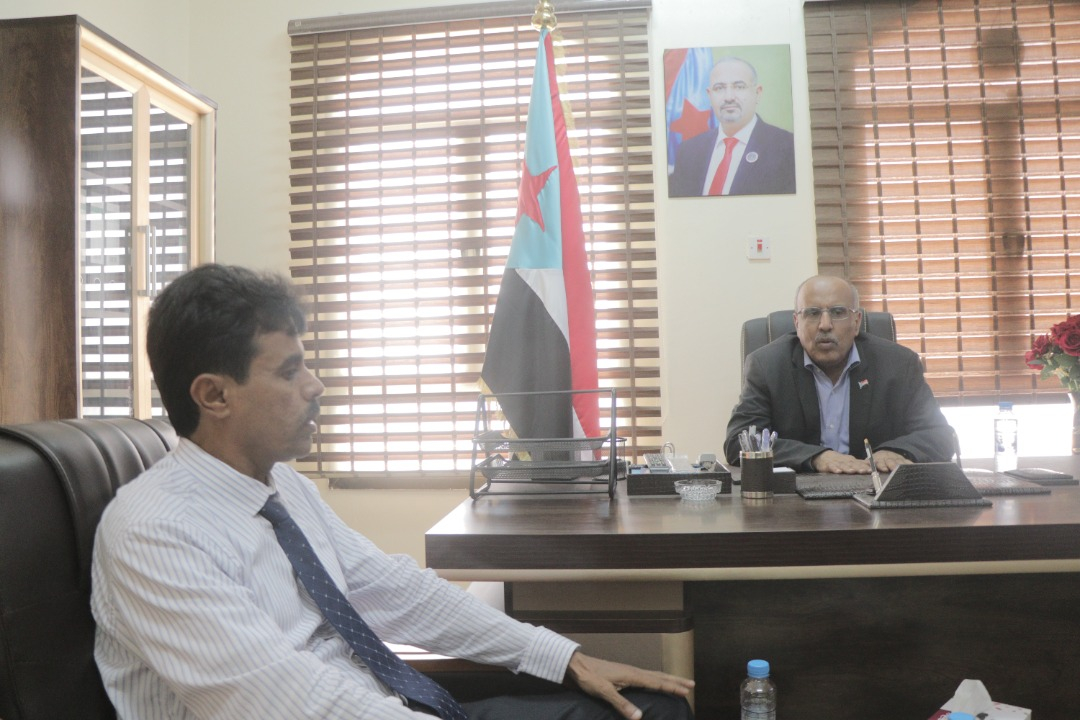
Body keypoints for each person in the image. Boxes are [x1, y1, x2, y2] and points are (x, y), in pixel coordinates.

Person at [91, 264, 694, 720]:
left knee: (654, 710)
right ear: (214, 396)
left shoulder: (281, 487)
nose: (315, 385)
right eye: (289, 371)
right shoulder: (153, 533)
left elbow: (394, 589)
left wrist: (564, 657)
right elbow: (284, 698)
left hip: (388, 704)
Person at [724, 275, 955, 473]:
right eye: (812, 313)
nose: (825, 325)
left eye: (837, 312)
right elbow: (739, 441)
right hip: (798, 498)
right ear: (797, 322)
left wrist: (895, 452)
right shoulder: (767, 366)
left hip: (876, 491)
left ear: (856, 322)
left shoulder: (898, 365)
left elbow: (939, 435)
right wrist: (816, 457)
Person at [669, 56, 796, 197]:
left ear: (757, 93)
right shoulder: (688, 151)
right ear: (709, 95)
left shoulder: (787, 148)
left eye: (739, 87)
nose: (729, 97)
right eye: (719, 88)